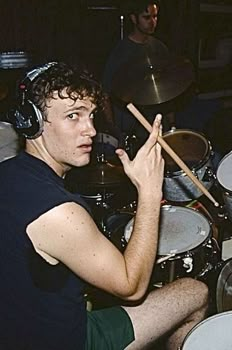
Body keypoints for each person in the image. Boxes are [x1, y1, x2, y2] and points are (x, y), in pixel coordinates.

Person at [0, 61, 209, 350]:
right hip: (66, 341)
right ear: (31, 123)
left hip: (20, 329)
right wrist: (149, 192)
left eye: (91, 115)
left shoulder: (8, 173)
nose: (90, 130)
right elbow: (131, 288)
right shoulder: (59, 213)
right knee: (195, 292)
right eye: (73, 116)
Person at [102, 0, 174, 155]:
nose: (152, 22)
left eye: (155, 17)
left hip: (156, 121)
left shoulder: (160, 47)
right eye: (146, 17)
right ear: (134, 19)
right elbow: (105, 92)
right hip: (130, 125)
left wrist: (172, 122)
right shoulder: (121, 51)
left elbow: (170, 88)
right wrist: (112, 127)